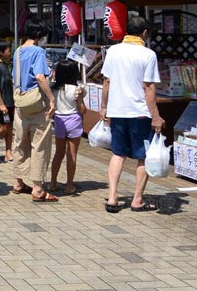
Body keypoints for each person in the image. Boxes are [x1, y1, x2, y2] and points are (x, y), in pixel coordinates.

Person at [100, 15, 162, 213]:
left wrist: (103, 107)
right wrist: (156, 115)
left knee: (118, 154)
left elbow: (107, 82)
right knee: (142, 156)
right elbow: (149, 87)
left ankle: (112, 197)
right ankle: (137, 199)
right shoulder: (148, 54)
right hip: (139, 113)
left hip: (117, 111)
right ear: (144, 33)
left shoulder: (112, 51)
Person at [11, 20, 58, 203]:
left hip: (20, 102)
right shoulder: (38, 52)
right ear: (40, 35)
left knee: (20, 143)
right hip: (37, 104)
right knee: (39, 145)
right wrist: (52, 99)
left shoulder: (18, 50)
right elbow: (40, 77)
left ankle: (18, 182)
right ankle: (38, 188)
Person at [49, 58, 86, 194]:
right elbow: (82, 110)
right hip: (74, 120)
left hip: (59, 120)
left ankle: (53, 182)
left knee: (58, 153)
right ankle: (69, 185)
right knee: (71, 154)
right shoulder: (77, 89)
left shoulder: (54, 89)